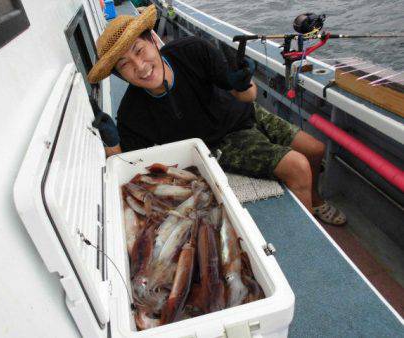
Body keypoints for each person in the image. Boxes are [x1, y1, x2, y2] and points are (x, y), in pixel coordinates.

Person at [87, 5, 346, 225]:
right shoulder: (133, 114)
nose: (140, 67)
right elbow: (129, 167)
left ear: (154, 41)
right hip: (221, 142)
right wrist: (112, 144)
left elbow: (248, 95)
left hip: (245, 111)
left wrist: (243, 85)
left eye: (139, 50)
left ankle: (316, 200)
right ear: (120, 75)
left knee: (315, 149)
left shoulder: (193, 50)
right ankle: (308, 228)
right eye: (124, 65)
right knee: (297, 166)